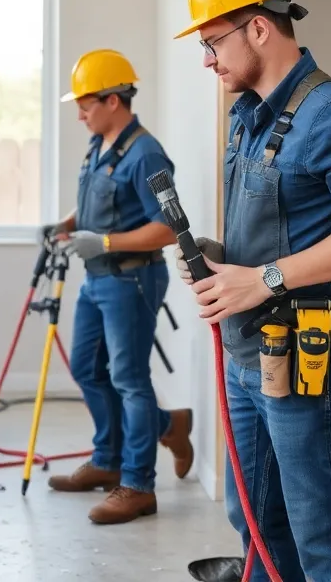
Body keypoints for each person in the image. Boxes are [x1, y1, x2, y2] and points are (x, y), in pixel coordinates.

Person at [172, 0, 331, 580]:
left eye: (214, 41)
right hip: (253, 347)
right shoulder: (249, 116)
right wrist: (223, 262)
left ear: (259, 26)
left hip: (317, 351)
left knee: (325, 531)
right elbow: (279, 227)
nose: (207, 59)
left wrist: (263, 279)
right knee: (256, 520)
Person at [43, 48, 196, 525]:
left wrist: (103, 240)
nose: (80, 114)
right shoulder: (99, 144)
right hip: (98, 278)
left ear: (113, 100)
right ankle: (120, 452)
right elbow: (95, 207)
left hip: (133, 278)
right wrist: (66, 225)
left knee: (130, 381)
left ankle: (137, 485)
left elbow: (171, 228)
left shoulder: (147, 153)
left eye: (86, 104)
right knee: (88, 369)